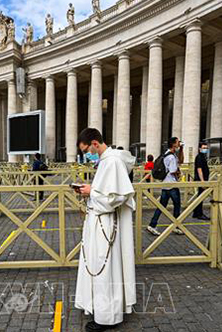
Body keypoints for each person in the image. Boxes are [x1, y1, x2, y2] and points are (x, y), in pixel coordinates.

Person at [73, 128, 136, 331]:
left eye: (86, 150)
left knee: (105, 268)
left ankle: (107, 317)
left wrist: (92, 192)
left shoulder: (112, 161)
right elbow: (106, 190)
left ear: (94, 143)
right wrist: (90, 191)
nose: (86, 155)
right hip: (98, 222)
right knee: (99, 266)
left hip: (106, 224)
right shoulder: (105, 161)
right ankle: (99, 308)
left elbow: (116, 198)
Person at [147, 137, 184, 236]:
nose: (179, 143)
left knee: (161, 206)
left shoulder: (167, 154)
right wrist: (179, 173)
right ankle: (176, 226)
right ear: (173, 144)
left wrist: (181, 149)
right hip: (172, 184)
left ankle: (152, 225)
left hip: (165, 184)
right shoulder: (171, 157)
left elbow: (180, 161)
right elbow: (172, 170)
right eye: (178, 142)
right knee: (177, 206)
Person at [192, 142, 211, 220]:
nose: (205, 149)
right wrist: (202, 181)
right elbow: (199, 169)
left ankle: (196, 212)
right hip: (201, 180)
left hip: (203, 179)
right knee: (200, 196)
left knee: (200, 196)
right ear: (199, 149)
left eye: (206, 148)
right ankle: (199, 213)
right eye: (203, 148)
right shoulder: (199, 157)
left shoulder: (203, 156)